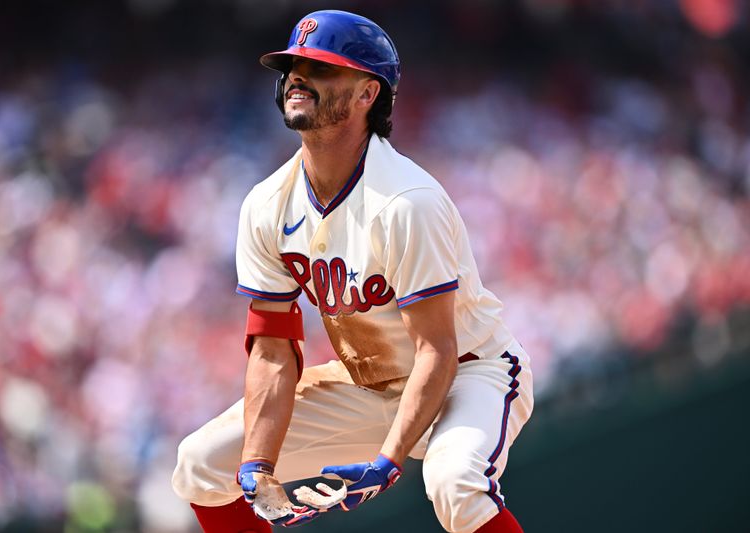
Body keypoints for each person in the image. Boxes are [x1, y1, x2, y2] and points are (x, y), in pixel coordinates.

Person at [172, 10, 533, 533]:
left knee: (456, 485)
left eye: (320, 68)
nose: (298, 77)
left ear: (368, 94)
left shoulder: (407, 201)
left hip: (469, 371)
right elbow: (273, 347)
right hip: (369, 384)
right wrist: (257, 464)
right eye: (294, 65)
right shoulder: (266, 204)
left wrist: (387, 464)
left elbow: (437, 349)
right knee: (201, 464)